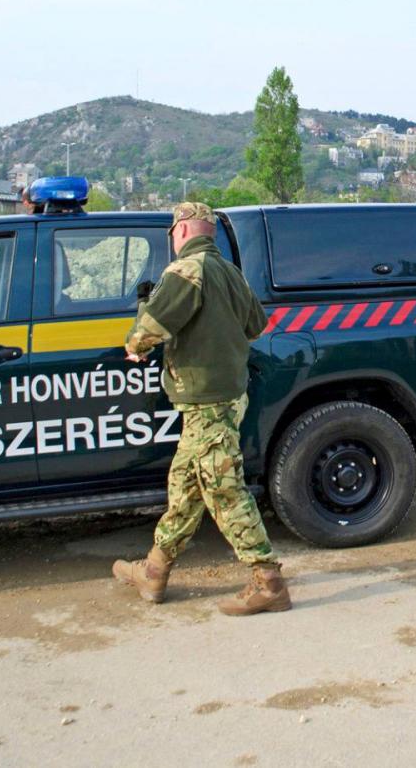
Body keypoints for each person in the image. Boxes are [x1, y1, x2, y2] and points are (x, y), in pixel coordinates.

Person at [111, 201, 290, 616]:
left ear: (184, 231)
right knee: (186, 487)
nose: (172, 241)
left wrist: (135, 343)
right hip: (227, 396)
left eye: (173, 234)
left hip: (204, 399)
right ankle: (154, 571)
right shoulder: (230, 272)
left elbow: (151, 327)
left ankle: (269, 581)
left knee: (224, 489)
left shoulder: (185, 271)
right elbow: (255, 325)